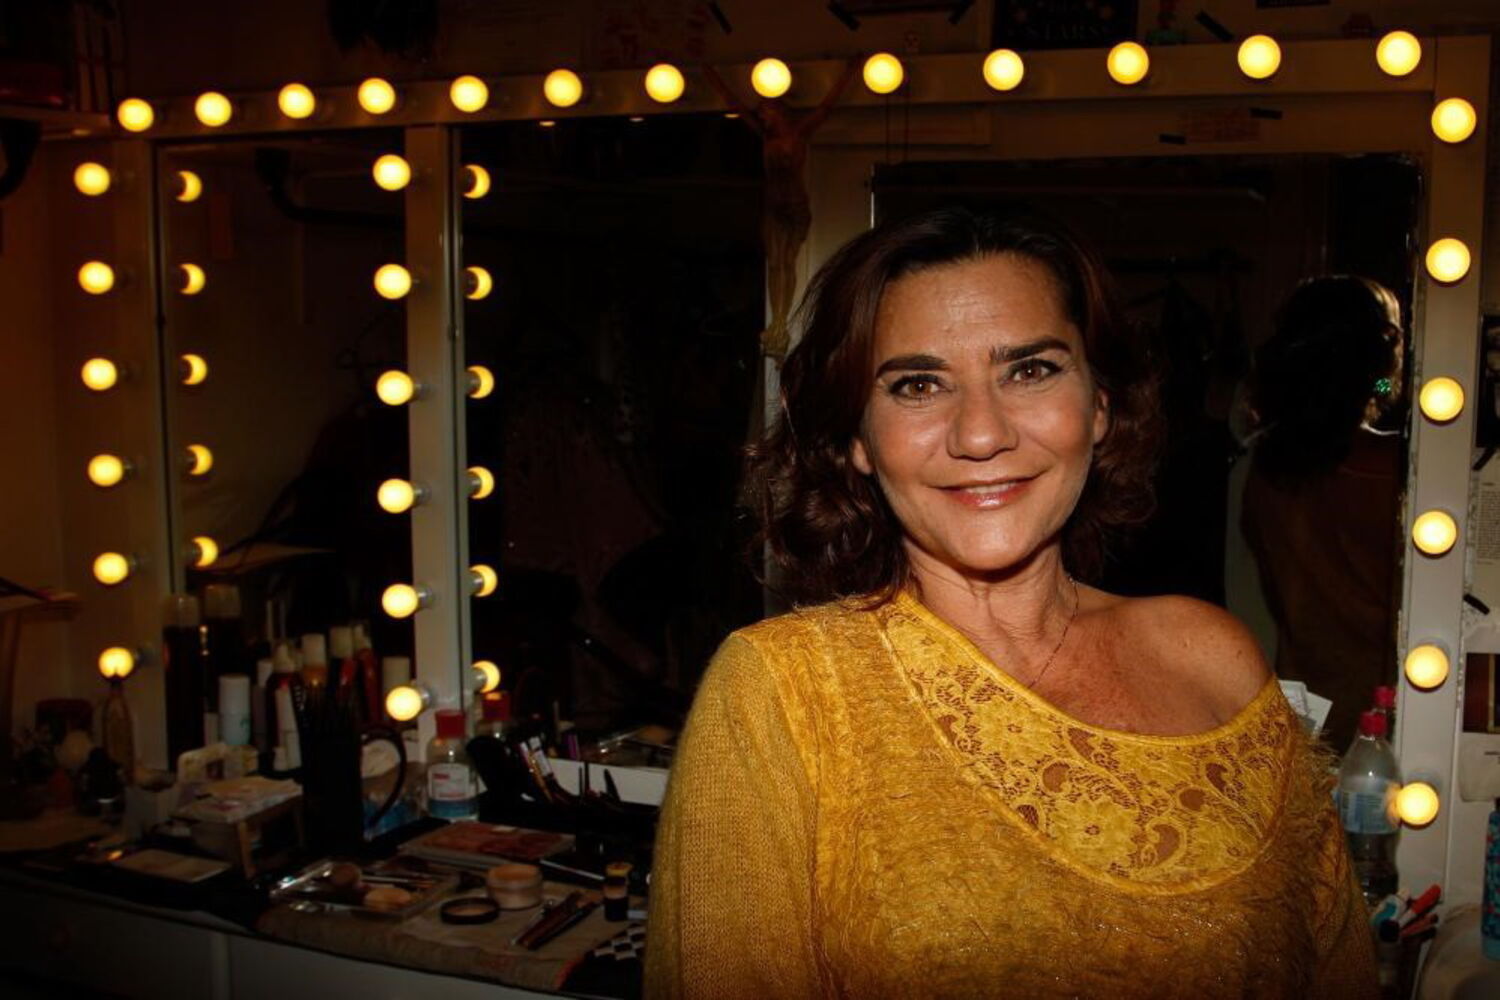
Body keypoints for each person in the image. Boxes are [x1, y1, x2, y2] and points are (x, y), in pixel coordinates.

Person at [643, 207, 1377, 999]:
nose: (981, 434)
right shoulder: (783, 694)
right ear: (857, 439)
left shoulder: (1214, 660)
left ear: (1100, 404)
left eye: (1029, 371)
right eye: (918, 385)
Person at [1240, 276, 1406, 750]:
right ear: (1380, 355)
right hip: (1388, 716)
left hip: (1302, 711)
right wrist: (1387, 385)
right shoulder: (1396, 469)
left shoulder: (1265, 468)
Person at [702, 58, 859, 362]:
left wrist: (848, 73)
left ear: (777, 109)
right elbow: (736, 105)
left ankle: (781, 324)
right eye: (760, 113)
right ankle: (777, 324)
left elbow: (825, 108)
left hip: (793, 204)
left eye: (765, 110)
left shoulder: (797, 135)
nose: (762, 116)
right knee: (775, 264)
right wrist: (712, 75)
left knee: (786, 263)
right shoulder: (767, 138)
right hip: (773, 205)